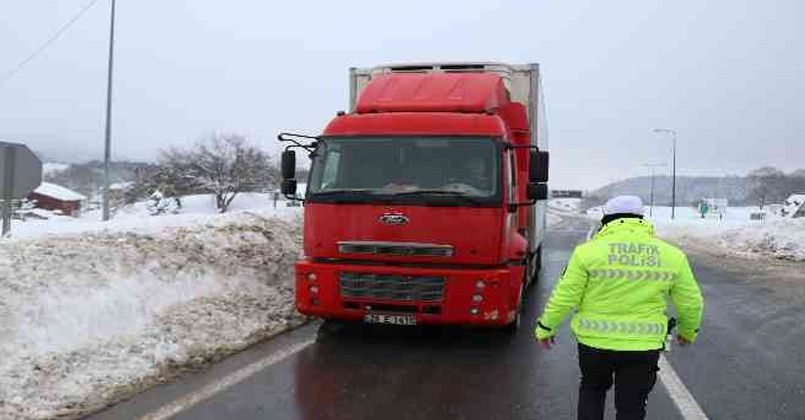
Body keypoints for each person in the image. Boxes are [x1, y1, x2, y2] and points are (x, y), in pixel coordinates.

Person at [534, 195, 704, 420]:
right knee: (631, 407)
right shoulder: (673, 256)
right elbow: (691, 302)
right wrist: (687, 332)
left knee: (592, 391)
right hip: (643, 347)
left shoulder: (587, 252)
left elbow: (565, 297)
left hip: (594, 343)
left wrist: (546, 327)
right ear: (641, 218)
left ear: (607, 219)